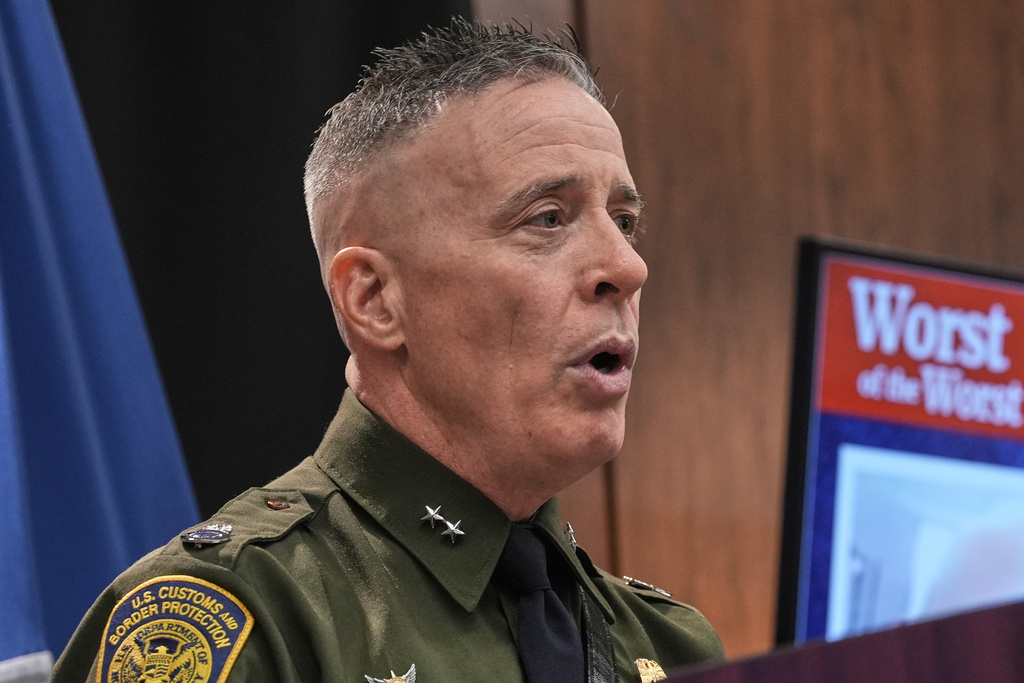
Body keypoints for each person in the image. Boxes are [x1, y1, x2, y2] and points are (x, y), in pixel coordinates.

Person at [53, 19, 724, 683]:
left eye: (626, 222)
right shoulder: (245, 620)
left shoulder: (670, 646)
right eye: (546, 218)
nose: (627, 268)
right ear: (373, 299)